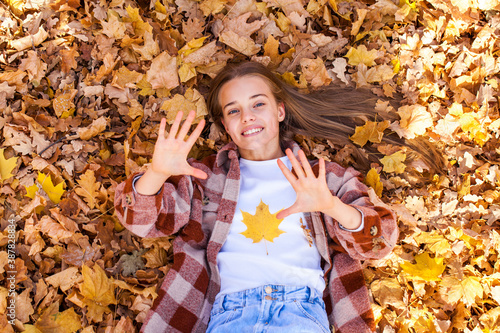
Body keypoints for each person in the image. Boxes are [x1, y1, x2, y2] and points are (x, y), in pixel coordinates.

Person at [114, 61, 399, 333]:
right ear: (226, 127)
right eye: (233, 111)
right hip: (230, 313)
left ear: (280, 111)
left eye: (258, 104)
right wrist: (157, 172)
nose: (247, 116)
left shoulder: (326, 177)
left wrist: (331, 206)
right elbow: (141, 222)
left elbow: (380, 242)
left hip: (301, 312)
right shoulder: (206, 178)